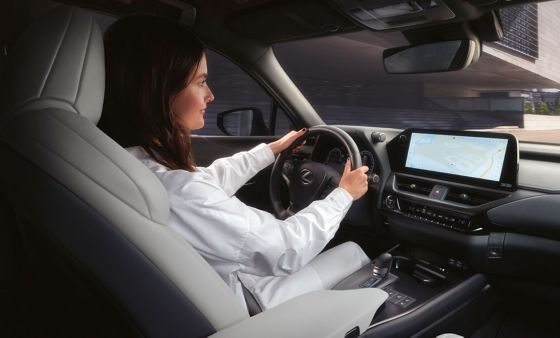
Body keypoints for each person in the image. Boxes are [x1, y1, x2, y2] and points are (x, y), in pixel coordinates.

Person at [98, 15, 371, 311]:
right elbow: (287, 250)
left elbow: (205, 182)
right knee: (355, 254)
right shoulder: (180, 190)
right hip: (241, 310)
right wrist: (343, 194)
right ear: (160, 91)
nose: (211, 94)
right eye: (201, 82)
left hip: (216, 288)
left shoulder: (129, 161)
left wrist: (270, 151)